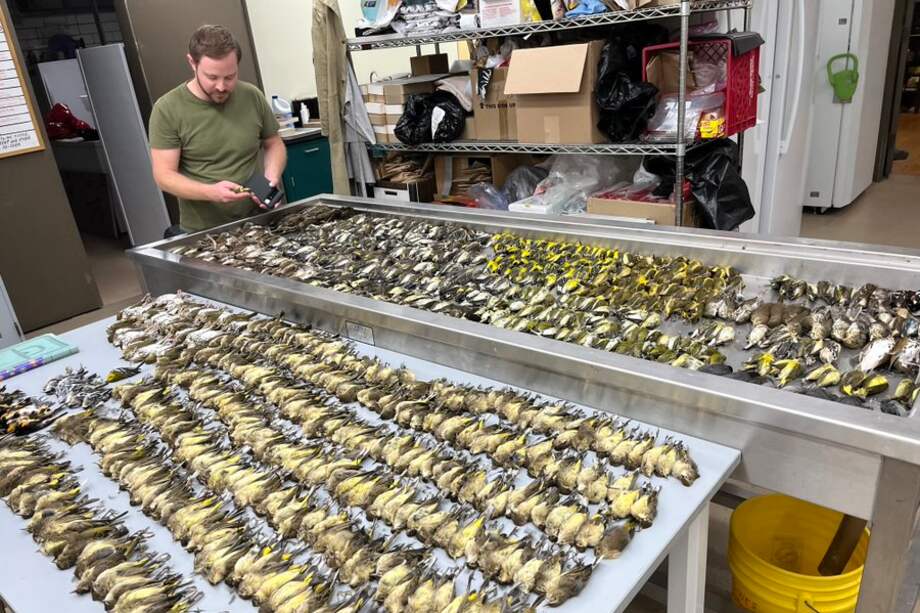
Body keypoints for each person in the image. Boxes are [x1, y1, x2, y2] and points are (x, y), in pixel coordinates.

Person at [149, 24, 287, 234]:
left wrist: (270, 178)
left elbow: (273, 143)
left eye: (230, 77)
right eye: (212, 77)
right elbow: (164, 176)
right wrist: (209, 192)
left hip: (259, 220)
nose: (222, 86)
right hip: (204, 230)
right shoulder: (167, 109)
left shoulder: (252, 96)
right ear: (192, 63)